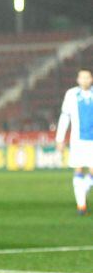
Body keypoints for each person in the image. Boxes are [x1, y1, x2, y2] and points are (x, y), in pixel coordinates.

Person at [56, 68, 93, 215]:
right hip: (77, 141)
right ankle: (81, 206)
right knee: (78, 169)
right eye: (82, 77)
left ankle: (83, 187)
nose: (84, 80)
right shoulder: (71, 94)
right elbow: (65, 117)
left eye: (87, 77)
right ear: (78, 80)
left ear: (91, 79)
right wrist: (60, 139)